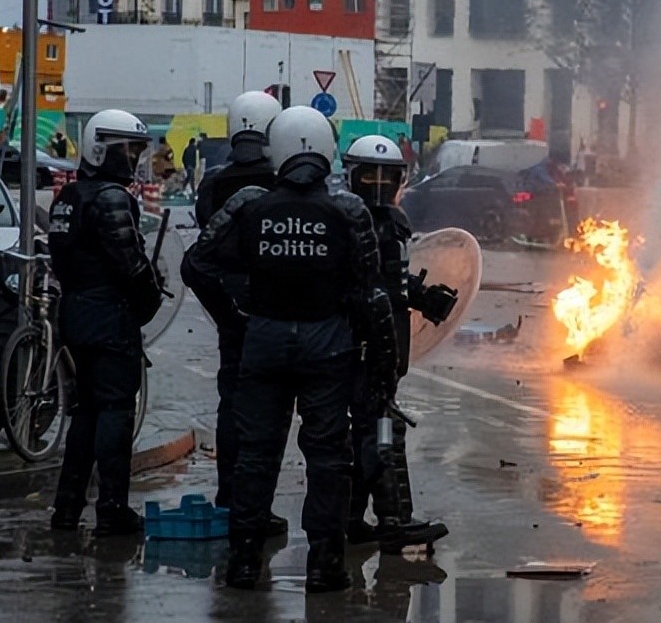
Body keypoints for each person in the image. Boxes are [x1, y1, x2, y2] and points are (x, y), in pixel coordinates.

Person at [184, 106, 399, 593]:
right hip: (328, 346)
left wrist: (235, 315)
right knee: (328, 457)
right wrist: (382, 364)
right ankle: (324, 565)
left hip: (264, 341)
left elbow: (197, 264)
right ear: (326, 151)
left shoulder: (249, 204)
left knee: (256, 455)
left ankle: (243, 562)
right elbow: (371, 292)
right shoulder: (348, 211)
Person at [47, 109, 164, 536]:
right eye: (127, 149)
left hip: (75, 312)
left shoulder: (68, 198)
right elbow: (130, 263)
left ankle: (67, 508)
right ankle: (112, 507)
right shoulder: (111, 198)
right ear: (102, 148)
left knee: (86, 412)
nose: (132, 158)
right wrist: (147, 301)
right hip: (108, 314)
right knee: (115, 409)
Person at [341, 135, 457, 553]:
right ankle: (395, 520)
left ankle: (352, 519)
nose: (376, 183)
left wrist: (423, 297)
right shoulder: (357, 221)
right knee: (382, 429)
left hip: (376, 342)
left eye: (385, 175)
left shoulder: (382, 223)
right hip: (369, 345)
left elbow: (386, 279)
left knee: (365, 431)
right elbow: (368, 288)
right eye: (368, 174)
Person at [183, 91, 285, 537]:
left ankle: (230, 497)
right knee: (271, 409)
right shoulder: (281, 181)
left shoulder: (215, 182)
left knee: (232, 403)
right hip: (273, 306)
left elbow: (205, 237)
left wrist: (225, 308)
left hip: (229, 305)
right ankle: (256, 506)